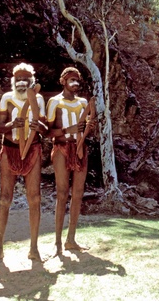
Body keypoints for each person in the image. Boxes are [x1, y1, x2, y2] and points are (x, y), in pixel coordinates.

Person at [0, 63, 47, 261]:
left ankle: (34, 248)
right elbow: (0, 127)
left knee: (34, 198)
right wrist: (10, 125)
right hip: (9, 149)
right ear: (13, 81)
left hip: (32, 149)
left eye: (26, 78)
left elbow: (46, 129)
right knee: (4, 199)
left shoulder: (39, 99)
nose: (22, 82)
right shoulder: (7, 99)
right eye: (19, 79)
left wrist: (38, 126)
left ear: (32, 81)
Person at [46, 66, 94, 255]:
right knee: (62, 193)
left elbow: (88, 127)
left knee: (78, 193)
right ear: (63, 81)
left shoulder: (83, 103)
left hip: (80, 148)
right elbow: (48, 131)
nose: (75, 83)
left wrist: (90, 126)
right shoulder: (54, 102)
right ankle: (57, 242)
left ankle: (71, 239)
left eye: (77, 80)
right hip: (61, 148)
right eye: (71, 80)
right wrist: (68, 130)